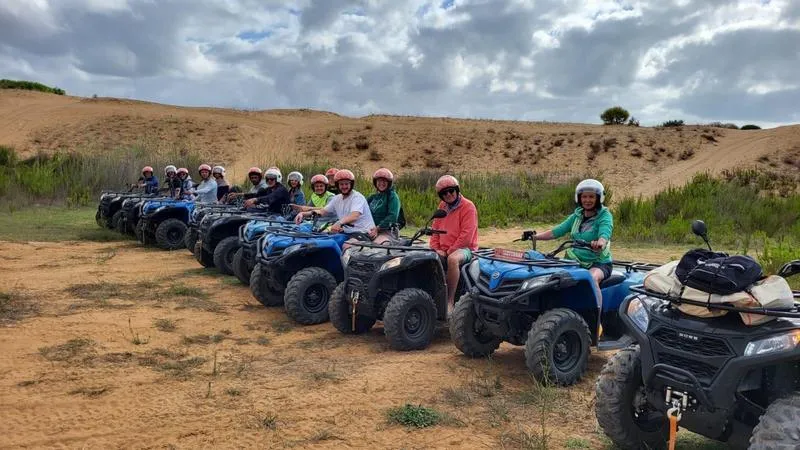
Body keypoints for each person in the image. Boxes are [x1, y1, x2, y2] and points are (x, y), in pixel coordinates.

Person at [532, 179, 613, 305]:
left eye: (591, 197)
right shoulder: (577, 216)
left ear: (598, 198)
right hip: (574, 261)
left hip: (598, 263)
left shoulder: (604, 215)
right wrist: (535, 237)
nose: (587, 200)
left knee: (591, 278)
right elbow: (556, 232)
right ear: (579, 198)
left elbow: (605, 232)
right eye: (584, 197)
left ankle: (596, 319)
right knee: (553, 278)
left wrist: (600, 243)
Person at [429, 175, 479, 316]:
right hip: (444, 249)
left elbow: (466, 236)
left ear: (456, 190)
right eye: (444, 193)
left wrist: (450, 251)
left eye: (451, 191)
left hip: (466, 249)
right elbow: (435, 230)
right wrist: (436, 248)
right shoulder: (442, 207)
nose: (448, 195)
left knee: (453, 260)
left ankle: (449, 301)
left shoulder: (468, 207)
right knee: (427, 257)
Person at [293, 169, 376, 241]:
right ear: (337, 185)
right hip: (347, 232)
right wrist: (303, 214)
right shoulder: (337, 198)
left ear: (351, 184)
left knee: (346, 246)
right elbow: (322, 211)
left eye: (346, 184)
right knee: (323, 238)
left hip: (363, 232)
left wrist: (339, 223)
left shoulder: (357, 197)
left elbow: (354, 215)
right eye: (341, 184)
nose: (344, 186)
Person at [366, 168, 402, 244]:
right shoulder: (372, 197)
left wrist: (377, 228)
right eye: (379, 181)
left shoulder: (392, 196)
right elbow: (362, 212)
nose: (381, 183)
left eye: (384, 181)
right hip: (371, 230)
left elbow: (393, 216)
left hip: (388, 231)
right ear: (375, 182)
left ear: (389, 183)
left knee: (376, 246)